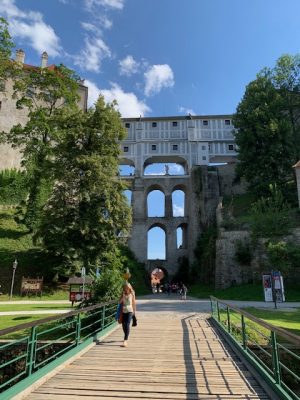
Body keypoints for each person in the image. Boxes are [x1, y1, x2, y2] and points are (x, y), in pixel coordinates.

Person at [119, 283, 136, 347]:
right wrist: (122, 297)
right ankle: (126, 335)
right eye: (125, 287)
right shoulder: (123, 293)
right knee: (123, 325)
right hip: (123, 311)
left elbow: (134, 303)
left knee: (127, 324)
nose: (126, 289)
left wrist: (134, 312)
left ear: (129, 287)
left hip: (130, 311)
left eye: (127, 287)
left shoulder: (132, 293)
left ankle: (125, 340)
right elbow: (119, 302)